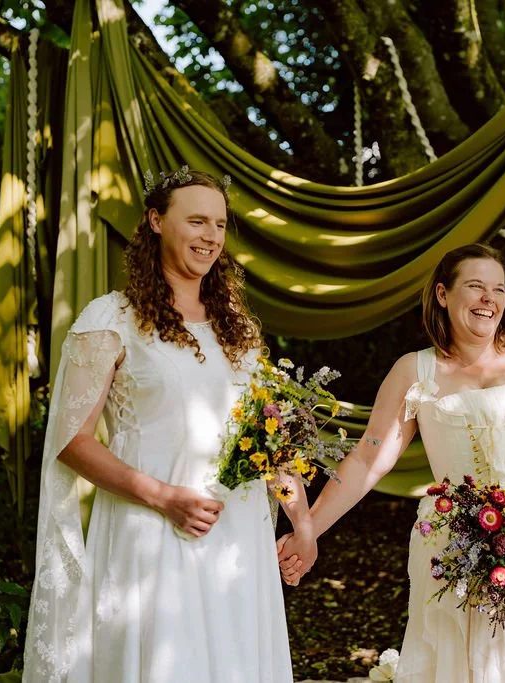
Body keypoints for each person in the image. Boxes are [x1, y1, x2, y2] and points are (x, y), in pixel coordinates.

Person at [278, 243, 505, 682]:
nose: (490, 299)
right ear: (443, 295)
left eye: (498, 289)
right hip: (458, 551)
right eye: (476, 286)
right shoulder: (415, 372)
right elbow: (367, 462)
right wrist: (308, 530)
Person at [23, 168, 312, 682]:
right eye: (196, 221)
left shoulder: (237, 327)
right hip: (151, 533)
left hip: (239, 540)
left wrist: (303, 524)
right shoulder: (110, 319)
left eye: (220, 225)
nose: (211, 237)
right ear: (155, 221)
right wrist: (163, 498)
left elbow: (270, 435)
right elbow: (70, 441)